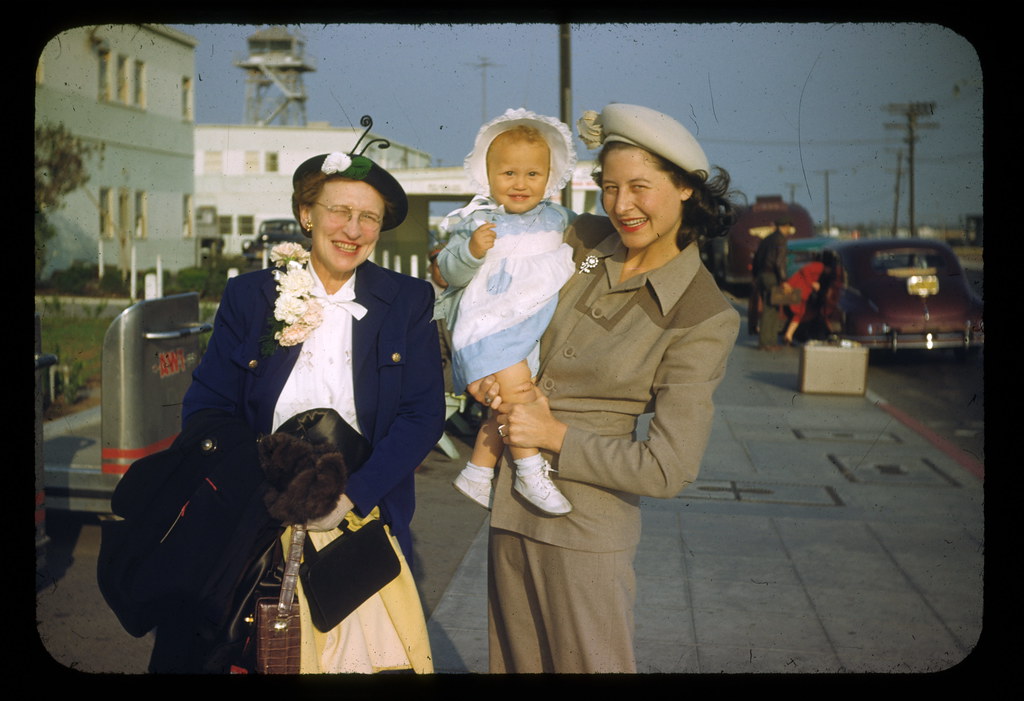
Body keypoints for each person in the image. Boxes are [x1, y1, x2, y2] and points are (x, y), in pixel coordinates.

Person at [153, 125, 445, 674]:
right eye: (339, 212)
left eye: (369, 218)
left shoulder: (406, 299)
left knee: (358, 661)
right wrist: (258, 483)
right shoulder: (251, 294)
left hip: (360, 510)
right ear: (307, 214)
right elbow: (209, 404)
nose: (352, 230)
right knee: (259, 654)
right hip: (261, 506)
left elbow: (422, 413)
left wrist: (350, 497)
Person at [470, 103, 740, 673]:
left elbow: (668, 468)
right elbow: (489, 292)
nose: (620, 206)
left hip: (587, 531)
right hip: (510, 512)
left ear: (687, 188)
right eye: (608, 186)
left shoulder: (703, 312)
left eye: (640, 187)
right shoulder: (580, 241)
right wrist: (479, 374)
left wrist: (552, 434)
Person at [434, 108, 578, 516]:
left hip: (527, 329)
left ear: (550, 177)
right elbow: (447, 271)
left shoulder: (558, 219)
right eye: (508, 173)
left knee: (507, 404)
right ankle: (530, 470)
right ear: (488, 175)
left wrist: (588, 268)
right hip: (490, 325)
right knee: (518, 397)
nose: (520, 184)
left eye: (533, 174)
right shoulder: (477, 220)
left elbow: (588, 254)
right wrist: (472, 251)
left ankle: (478, 471)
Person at [750, 220, 791, 350]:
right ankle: (767, 343)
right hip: (772, 276)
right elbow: (779, 262)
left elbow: (756, 258)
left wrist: (756, 276)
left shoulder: (767, 239)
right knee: (771, 309)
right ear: (785, 226)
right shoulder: (781, 240)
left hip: (762, 276)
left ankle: (769, 341)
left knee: (769, 308)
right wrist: (784, 280)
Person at [782, 257, 831, 344]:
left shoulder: (821, 269)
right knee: (799, 313)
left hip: (801, 291)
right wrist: (812, 283)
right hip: (798, 289)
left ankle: (788, 335)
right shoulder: (820, 266)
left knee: (799, 314)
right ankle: (788, 335)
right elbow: (805, 270)